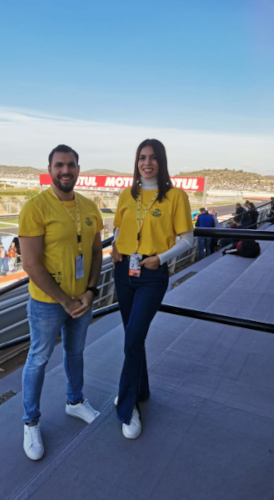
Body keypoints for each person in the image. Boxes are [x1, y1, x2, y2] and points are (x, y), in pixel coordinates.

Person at [19, 144, 103, 461]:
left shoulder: (90, 206)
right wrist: (64, 301)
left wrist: (90, 291)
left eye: (70, 165)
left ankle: (75, 401)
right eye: (59, 165)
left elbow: (96, 254)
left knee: (76, 351)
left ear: (78, 169)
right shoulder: (36, 208)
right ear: (50, 169)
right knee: (38, 359)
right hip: (48, 303)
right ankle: (30, 421)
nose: (65, 170)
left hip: (82, 299)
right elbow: (31, 264)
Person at [111, 139, 194, 439]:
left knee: (133, 337)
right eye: (142, 158)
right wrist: (114, 247)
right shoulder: (125, 194)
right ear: (136, 162)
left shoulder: (175, 196)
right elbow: (117, 227)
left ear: (162, 162)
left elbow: (187, 239)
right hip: (124, 271)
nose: (147, 163)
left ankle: (128, 404)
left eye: (153, 158)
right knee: (133, 336)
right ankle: (140, 389)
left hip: (152, 272)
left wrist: (160, 258)